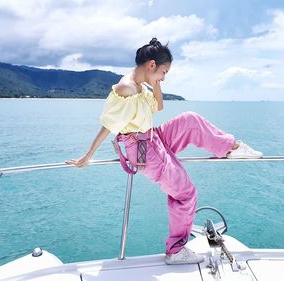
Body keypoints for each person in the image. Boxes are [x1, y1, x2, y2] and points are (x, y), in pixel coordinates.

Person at [66, 38, 262, 265]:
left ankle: (231, 148)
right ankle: (175, 250)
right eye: (163, 72)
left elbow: (159, 106)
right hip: (143, 149)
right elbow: (109, 126)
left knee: (190, 119)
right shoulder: (126, 88)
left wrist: (155, 82)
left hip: (153, 137)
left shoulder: (141, 86)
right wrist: (87, 155)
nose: (164, 77)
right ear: (151, 65)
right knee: (186, 193)